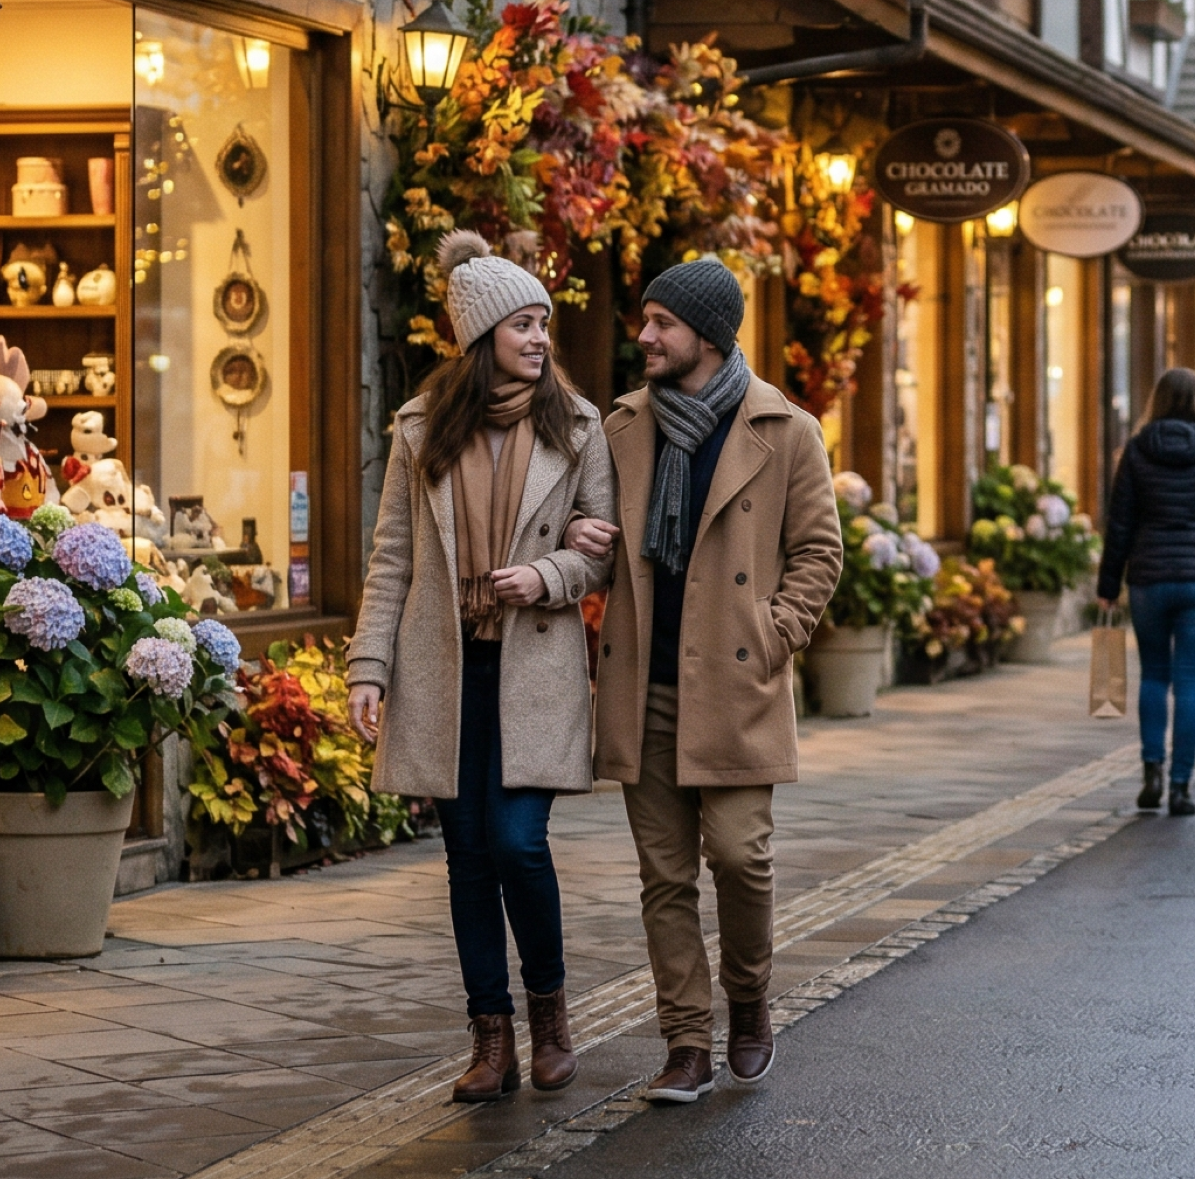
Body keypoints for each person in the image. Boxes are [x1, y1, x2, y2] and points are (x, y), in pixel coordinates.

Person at [346, 231, 619, 1103]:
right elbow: (392, 558)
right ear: (484, 333)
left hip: (532, 668)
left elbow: (602, 554)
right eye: (525, 324)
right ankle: (489, 1039)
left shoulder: (577, 429)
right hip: (446, 668)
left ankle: (550, 1013)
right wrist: (367, 669)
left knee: (517, 843)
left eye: (545, 324)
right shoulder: (422, 429)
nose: (541, 339)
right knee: (465, 854)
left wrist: (545, 574)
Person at [565, 258, 842, 1105]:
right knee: (664, 876)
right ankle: (686, 1040)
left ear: (710, 336)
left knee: (740, 856)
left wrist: (773, 635)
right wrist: (580, 542)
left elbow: (820, 553)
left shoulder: (785, 429)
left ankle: (749, 1001)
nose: (643, 337)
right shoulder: (621, 427)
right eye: (643, 321)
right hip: (643, 679)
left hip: (734, 683)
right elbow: (605, 542)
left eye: (661, 324)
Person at [1097, 367, 1195, 817]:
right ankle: (1181, 785)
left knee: (1153, 677)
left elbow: (1120, 523)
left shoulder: (1137, 451)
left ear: (1157, 399)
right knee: (1189, 683)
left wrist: (1108, 585)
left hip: (1148, 578)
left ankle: (1152, 773)